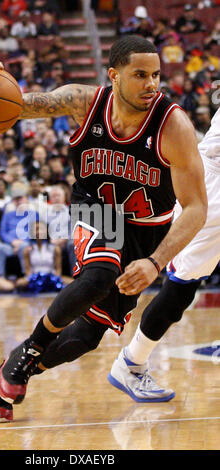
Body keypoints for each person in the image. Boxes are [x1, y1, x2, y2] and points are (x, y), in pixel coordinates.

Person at [0, 35, 207, 423]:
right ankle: (30, 350)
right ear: (113, 75)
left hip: (147, 230)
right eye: (140, 75)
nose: (151, 84)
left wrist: (156, 263)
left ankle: (11, 370)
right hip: (96, 207)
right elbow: (15, 104)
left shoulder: (173, 125)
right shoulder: (83, 101)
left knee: (86, 337)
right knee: (99, 274)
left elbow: (196, 209)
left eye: (156, 75)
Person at [108, 104, 220, 402]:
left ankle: (132, 361)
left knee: (183, 287)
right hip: (213, 185)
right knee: (182, 287)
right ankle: (131, 363)